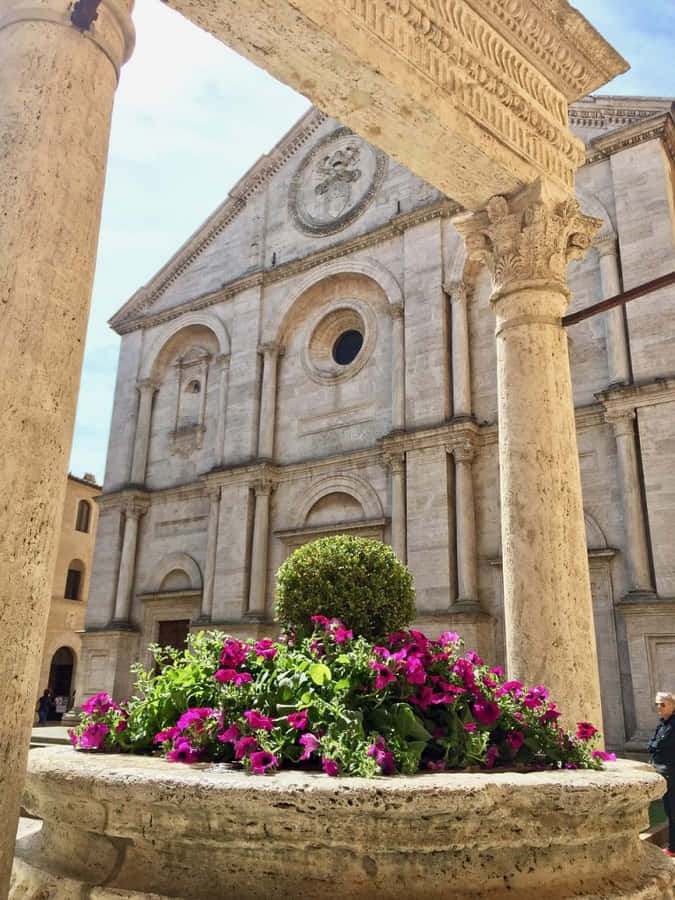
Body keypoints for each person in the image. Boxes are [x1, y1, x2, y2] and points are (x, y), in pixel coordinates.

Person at [647, 691, 675, 858]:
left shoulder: (672, 725)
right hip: (665, 771)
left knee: (672, 810)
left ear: (673, 706)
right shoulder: (663, 723)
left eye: (662, 704)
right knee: (669, 810)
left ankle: (673, 848)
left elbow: (658, 744)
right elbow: (652, 744)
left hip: (670, 772)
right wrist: (654, 744)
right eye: (656, 704)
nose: (659, 707)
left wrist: (654, 745)